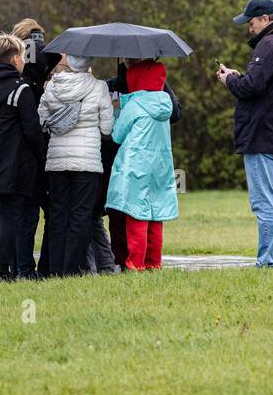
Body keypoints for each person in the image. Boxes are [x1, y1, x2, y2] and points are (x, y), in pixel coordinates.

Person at [215, 0, 273, 268]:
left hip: (260, 133)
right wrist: (241, 76)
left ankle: (267, 263)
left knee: (264, 204)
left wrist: (230, 79)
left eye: (251, 22)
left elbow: (251, 88)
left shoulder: (268, 44)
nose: (248, 27)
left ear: (265, 19)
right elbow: (265, 86)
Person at [0, 33, 45, 280]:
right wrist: (42, 158)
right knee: (14, 218)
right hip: (16, 166)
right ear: (15, 58)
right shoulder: (20, 90)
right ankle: (0, 269)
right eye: (23, 56)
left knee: (3, 216)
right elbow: (32, 131)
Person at [96, 61, 182, 271]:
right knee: (155, 216)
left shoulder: (134, 104)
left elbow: (117, 134)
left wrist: (118, 110)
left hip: (136, 166)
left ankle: (135, 263)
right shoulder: (166, 103)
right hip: (161, 167)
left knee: (136, 215)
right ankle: (154, 262)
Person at [37, 53, 113, 275]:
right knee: (81, 215)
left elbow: (41, 122)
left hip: (56, 162)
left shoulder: (51, 87)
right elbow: (107, 129)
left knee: (58, 214)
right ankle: (74, 268)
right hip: (87, 162)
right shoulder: (98, 87)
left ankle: (56, 268)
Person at [12, 18, 61, 277]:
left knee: (25, 216)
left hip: (23, 154)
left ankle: (22, 268)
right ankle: (47, 267)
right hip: (48, 148)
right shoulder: (49, 52)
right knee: (51, 212)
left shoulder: (17, 59)